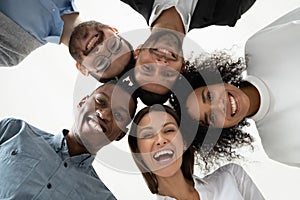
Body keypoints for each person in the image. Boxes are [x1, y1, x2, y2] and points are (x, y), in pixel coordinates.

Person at [180, 7, 300, 168]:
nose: (220, 105)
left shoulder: (260, 47)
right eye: (212, 118)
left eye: (209, 96)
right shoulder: (279, 147)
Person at [0, 80, 138, 199]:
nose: (103, 114)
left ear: (120, 135)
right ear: (82, 102)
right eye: (101, 101)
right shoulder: (13, 131)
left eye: (118, 115)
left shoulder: (103, 197)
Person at [120, 0, 256, 105]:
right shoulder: (227, 11)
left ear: (137, 52)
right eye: (167, 74)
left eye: (147, 68)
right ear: (183, 66)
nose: (161, 63)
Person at [128, 104, 264, 200]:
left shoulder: (232, 177)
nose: (160, 139)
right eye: (147, 135)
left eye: (169, 130)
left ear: (184, 144)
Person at [0, 1, 134, 82]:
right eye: (114, 46)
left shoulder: (11, 51)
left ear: (82, 68)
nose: (101, 49)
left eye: (101, 63)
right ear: (112, 28)